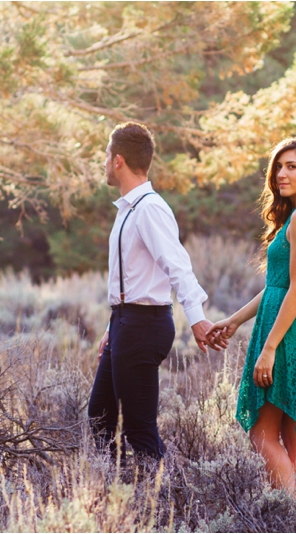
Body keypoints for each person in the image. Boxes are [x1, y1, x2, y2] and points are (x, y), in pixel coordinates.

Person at [207, 137, 296, 493]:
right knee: (295, 432)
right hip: (294, 324)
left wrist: (269, 348)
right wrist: (235, 320)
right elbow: (278, 286)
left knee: (262, 432)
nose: (281, 174)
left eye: (292, 167)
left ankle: (290, 513)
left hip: (288, 332)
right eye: (278, 167)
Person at [88, 121, 218, 462]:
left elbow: (178, 265)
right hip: (126, 324)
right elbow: (132, 279)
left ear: (118, 161)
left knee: (139, 428)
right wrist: (110, 328)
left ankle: (167, 504)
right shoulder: (129, 209)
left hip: (144, 326)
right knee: (100, 417)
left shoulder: (149, 208)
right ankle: (115, 495)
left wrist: (197, 318)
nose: (104, 163)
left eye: (106, 156)